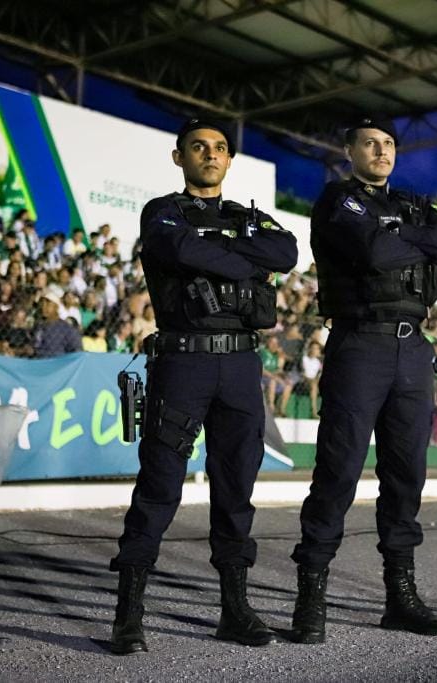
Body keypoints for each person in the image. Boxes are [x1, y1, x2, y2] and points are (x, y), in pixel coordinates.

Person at [109, 118, 297, 654]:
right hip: (183, 363)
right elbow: (184, 250)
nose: (210, 154)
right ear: (180, 157)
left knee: (236, 490)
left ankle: (234, 611)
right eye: (198, 147)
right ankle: (128, 616)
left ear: (229, 160)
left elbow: (285, 254)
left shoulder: (247, 217)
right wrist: (243, 257)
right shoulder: (162, 211)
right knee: (159, 486)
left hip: (240, 366)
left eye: (219, 148)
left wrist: (223, 245)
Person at [290, 116, 437, 643]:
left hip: (413, 347)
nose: (381, 151)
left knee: (406, 476)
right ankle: (311, 594)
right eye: (370, 143)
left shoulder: (413, 204)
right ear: (349, 150)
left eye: (389, 143)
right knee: (339, 471)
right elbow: (374, 252)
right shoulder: (338, 200)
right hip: (359, 342)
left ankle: (400, 596)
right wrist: (418, 239)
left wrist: (401, 233)